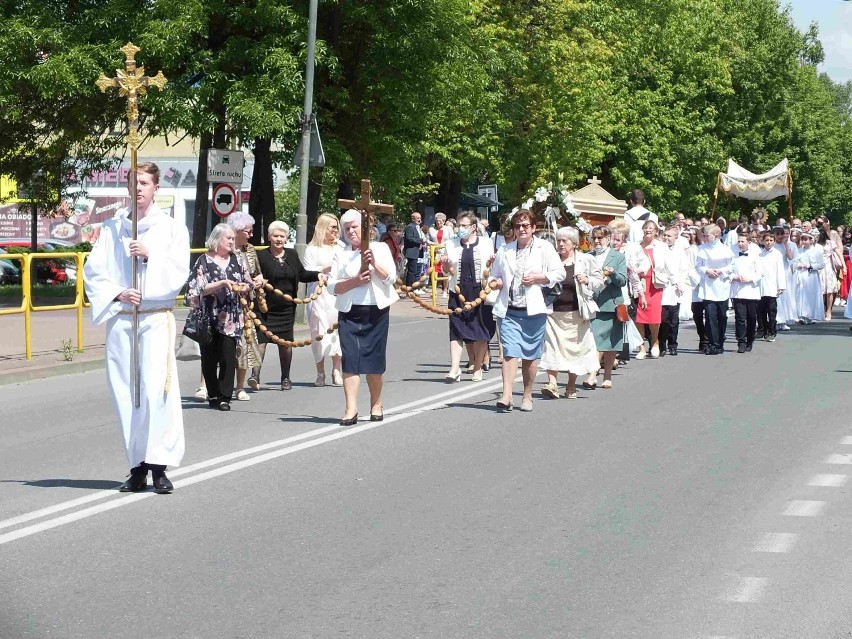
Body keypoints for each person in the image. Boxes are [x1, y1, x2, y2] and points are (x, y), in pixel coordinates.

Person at [83, 161, 189, 494]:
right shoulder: (113, 227)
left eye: (144, 183)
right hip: (123, 319)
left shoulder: (171, 228)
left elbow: (177, 272)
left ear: (156, 188)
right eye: (134, 182)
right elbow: (94, 272)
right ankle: (136, 466)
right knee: (126, 391)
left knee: (156, 390)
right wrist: (118, 291)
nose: (138, 188)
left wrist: (148, 256)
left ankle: (159, 467)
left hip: (155, 317)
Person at [488, 209, 565, 413]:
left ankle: (528, 394)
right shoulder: (505, 250)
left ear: (532, 228)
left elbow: (560, 273)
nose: (521, 229)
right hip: (510, 310)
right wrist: (495, 282)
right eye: (517, 226)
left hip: (534, 311)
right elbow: (493, 275)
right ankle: (506, 395)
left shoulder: (544, 248)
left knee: (530, 356)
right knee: (509, 353)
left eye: (525, 226)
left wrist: (539, 278)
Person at [328, 209, 399, 425]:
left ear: (365, 227)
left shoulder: (380, 247)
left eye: (354, 227)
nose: (350, 232)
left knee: (374, 360)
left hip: (375, 311)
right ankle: (351, 408)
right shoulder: (341, 253)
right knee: (350, 359)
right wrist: (355, 281)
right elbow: (333, 286)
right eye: (347, 228)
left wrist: (375, 263)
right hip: (350, 312)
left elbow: (391, 278)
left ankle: (376, 404)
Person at [188, 224, 254, 412]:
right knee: (209, 358)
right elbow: (196, 288)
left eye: (233, 238)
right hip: (208, 316)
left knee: (228, 357)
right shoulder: (204, 261)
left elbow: (248, 283)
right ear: (217, 239)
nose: (232, 242)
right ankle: (213, 394)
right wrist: (222, 284)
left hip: (231, 318)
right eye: (229, 238)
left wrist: (246, 287)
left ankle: (225, 396)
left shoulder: (237, 260)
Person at [255, 221, 322, 390]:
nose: (279, 239)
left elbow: (302, 274)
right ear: (269, 237)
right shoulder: (261, 256)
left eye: (282, 236)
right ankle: (255, 376)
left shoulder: (292, 254)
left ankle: (285, 378)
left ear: (286, 238)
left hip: (286, 308)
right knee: (261, 341)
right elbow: (253, 276)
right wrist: (259, 280)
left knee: (285, 343)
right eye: (275, 236)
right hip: (266, 307)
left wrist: (319, 275)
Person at [539, 226, 603, 399]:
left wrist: (587, 279)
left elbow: (599, 281)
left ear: (574, 244)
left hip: (577, 314)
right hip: (553, 314)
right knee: (551, 347)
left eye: (564, 241)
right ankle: (552, 384)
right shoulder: (551, 260)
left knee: (575, 351)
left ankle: (570, 386)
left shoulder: (585, 260)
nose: (560, 244)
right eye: (558, 240)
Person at [441, 212, 495, 382]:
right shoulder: (451, 244)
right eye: (459, 225)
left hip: (480, 291)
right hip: (458, 291)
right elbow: (446, 271)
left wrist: (492, 263)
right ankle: (454, 368)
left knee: (481, 330)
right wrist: (445, 265)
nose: (460, 229)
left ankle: (477, 367)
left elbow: (491, 268)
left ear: (473, 227)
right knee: (456, 329)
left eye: (464, 225)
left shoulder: (486, 243)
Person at [303, 213, 343, 387]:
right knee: (318, 332)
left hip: (336, 295)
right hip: (319, 296)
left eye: (336, 227)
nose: (335, 230)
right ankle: (320, 372)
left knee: (337, 333)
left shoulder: (341, 247)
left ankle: (337, 369)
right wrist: (326, 268)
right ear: (322, 228)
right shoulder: (312, 248)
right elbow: (307, 271)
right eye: (331, 227)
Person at [229, 212, 264, 400]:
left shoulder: (249, 250)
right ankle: (206, 385)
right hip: (225, 306)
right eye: (248, 232)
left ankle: (240, 387)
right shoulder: (224, 247)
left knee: (244, 346)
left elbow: (257, 272)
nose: (250, 235)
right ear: (237, 231)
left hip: (245, 306)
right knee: (219, 347)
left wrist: (259, 280)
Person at [589, 225, 628, 388]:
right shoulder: (587, 256)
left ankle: (607, 376)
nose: (597, 241)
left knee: (611, 343)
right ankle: (592, 374)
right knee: (594, 342)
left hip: (611, 304)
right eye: (595, 238)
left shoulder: (617, 257)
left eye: (601, 238)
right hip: (592, 304)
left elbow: (622, 281)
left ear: (608, 239)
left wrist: (613, 274)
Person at [696, 223, 735, 355]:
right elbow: (698, 266)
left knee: (722, 316)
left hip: (722, 285)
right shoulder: (702, 249)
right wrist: (707, 270)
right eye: (705, 236)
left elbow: (731, 267)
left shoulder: (726, 249)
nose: (706, 238)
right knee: (710, 316)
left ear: (717, 235)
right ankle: (713, 344)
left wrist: (720, 271)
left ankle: (720, 341)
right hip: (708, 286)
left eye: (708, 236)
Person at [634, 220, 670, 359]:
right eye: (646, 228)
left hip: (654, 284)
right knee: (638, 317)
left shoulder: (661, 246)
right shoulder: (636, 246)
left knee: (654, 316)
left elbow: (667, 265)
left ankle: (655, 342)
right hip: (639, 283)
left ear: (656, 231)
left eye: (651, 228)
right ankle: (641, 347)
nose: (648, 230)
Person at [730, 234, 763, 353]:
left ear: (748, 242)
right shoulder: (733, 255)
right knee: (740, 318)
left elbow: (760, 273)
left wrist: (750, 279)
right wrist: (735, 277)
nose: (740, 244)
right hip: (738, 291)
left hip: (751, 292)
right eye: (738, 241)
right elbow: (728, 271)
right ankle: (741, 342)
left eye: (742, 241)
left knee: (751, 318)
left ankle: (750, 340)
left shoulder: (755, 256)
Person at [659, 225, 688, 356]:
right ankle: (661, 344)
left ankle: (673, 344)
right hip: (662, 286)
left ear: (676, 238)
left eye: (669, 236)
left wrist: (680, 283)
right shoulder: (658, 248)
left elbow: (684, 269)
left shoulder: (680, 251)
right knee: (662, 319)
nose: (666, 238)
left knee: (673, 319)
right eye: (664, 235)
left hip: (675, 289)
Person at [758, 230, 786, 342]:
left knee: (772, 311)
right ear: (763, 241)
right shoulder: (760, 254)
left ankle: (772, 331)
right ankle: (763, 330)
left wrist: (781, 286)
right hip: (761, 286)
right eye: (766, 240)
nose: (768, 242)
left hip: (772, 286)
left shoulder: (777, 254)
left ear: (774, 241)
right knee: (761, 311)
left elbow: (780, 271)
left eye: (771, 240)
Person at [792, 231, 825, 323]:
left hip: (811, 276)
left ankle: (811, 315)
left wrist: (809, 266)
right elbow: (794, 261)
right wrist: (798, 264)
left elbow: (821, 264)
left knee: (811, 295)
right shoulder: (800, 250)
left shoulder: (816, 252)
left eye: (806, 239)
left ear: (811, 240)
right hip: (801, 275)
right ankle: (802, 315)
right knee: (801, 294)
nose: (804, 241)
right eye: (802, 239)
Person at [773, 226, 798, 331]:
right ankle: (776, 320)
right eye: (777, 234)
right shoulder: (772, 245)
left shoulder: (786, 245)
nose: (780, 236)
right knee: (776, 297)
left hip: (784, 271)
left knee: (784, 297)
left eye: (781, 234)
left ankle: (784, 320)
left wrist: (785, 244)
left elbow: (791, 257)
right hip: (774, 272)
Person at [403, 211, 427, 287]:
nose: (420, 220)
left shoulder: (417, 227)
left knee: (416, 271)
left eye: (420, 218)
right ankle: (410, 288)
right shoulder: (410, 227)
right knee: (412, 271)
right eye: (418, 218)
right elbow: (409, 238)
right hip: (411, 252)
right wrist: (421, 240)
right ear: (413, 219)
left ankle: (414, 287)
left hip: (418, 252)